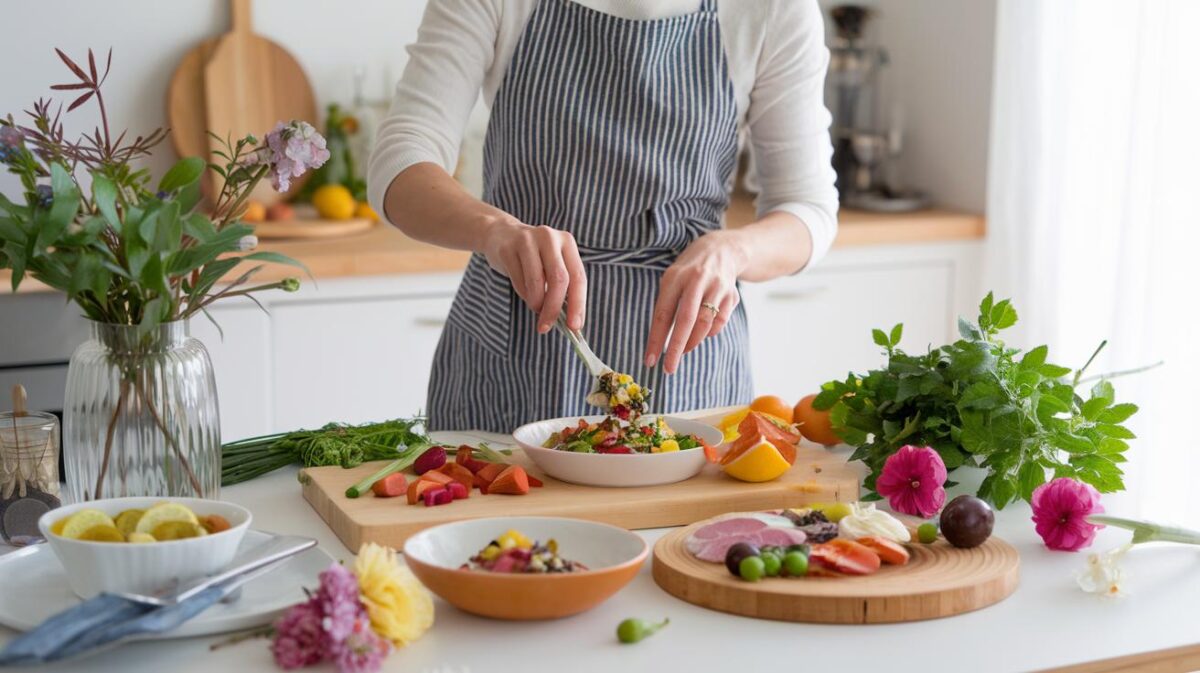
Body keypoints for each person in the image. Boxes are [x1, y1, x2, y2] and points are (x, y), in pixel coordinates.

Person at [368, 0, 838, 432]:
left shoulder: (774, 8)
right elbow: (401, 160)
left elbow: (808, 208)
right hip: (515, 334)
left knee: (678, 526)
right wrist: (497, 232)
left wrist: (732, 251)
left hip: (686, 348)